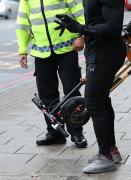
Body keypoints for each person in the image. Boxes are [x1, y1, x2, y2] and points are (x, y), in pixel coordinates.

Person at [55, 0, 127, 173]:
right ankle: (111, 150)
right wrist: (75, 27)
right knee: (101, 100)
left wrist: (80, 29)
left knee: (93, 102)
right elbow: (96, 20)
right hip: (98, 51)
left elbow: (113, 27)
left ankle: (106, 158)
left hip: (106, 53)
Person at [16, 0, 88, 148]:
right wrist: (22, 49)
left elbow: (79, 12)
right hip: (41, 52)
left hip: (67, 48)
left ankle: (76, 132)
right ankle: (55, 133)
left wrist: (80, 35)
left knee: (72, 91)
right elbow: (23, 23)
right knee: (46, 95)